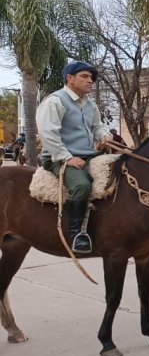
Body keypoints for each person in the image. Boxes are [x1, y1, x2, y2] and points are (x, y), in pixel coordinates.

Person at [36, 61, 111, 254]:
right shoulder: (55, 101)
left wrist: (104, 135)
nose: (90, 81)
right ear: (70, 79)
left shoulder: (90, 104)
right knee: (81, 186)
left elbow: (97, 126)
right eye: (84, 77)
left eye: (91, 78)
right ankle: (77, 235)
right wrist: (67, 158)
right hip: (58, 157)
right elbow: (48, 133)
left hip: (87, 155)